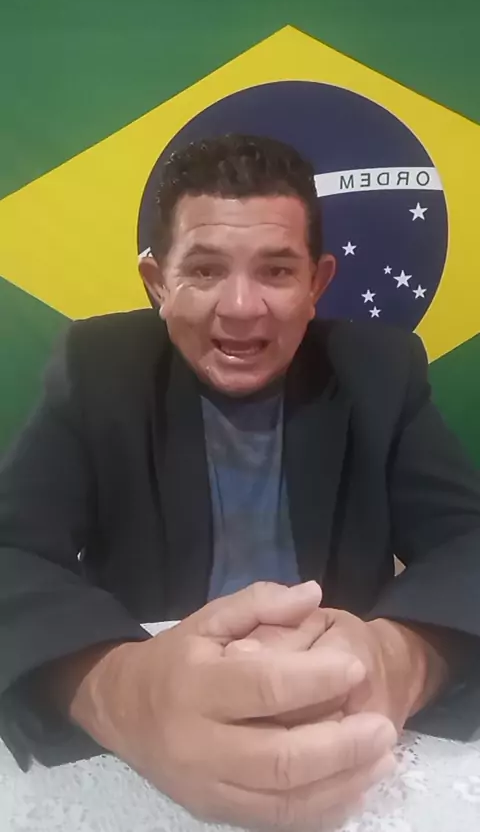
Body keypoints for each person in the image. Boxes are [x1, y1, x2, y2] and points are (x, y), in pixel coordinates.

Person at [0, 133, 479, 832]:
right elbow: (11, 551)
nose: (242, 306)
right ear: (157, 282)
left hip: (336, 713)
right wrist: (121, 692)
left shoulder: (380, 369)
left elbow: (469, 543)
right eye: (204, 270)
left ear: (317, 284)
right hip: (152, 746)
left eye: (277, 272)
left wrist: (400, 662)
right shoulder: (96, 366)